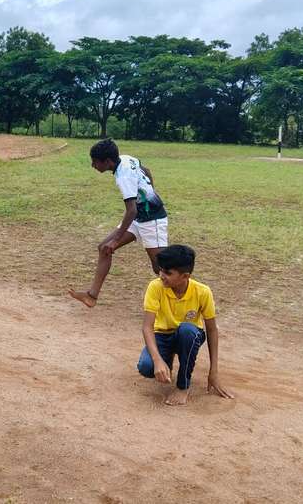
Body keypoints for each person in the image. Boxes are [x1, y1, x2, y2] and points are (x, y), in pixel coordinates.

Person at [68, 138, 167, 308]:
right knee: (104, 248)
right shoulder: (127, 158)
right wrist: (149, 191)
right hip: (138, 218)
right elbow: (147, 171)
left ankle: (181, 300)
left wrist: (116, 240)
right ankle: (91, 296)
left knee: (161, 267)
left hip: (152, 220)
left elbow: (131, 210)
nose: (93, 165)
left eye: (95, 162)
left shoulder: (123, 177)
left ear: (107, 161)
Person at [136, 244, 233, 406]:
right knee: (146, 367)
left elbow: (211, 330)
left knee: (187, 331)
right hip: (162, 335)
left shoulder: (203, 292)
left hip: (189, 336)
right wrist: (157, 360)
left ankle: (183, 386)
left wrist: (214, 371)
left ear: (185, 276)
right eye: (161, 270)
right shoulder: (155, 287)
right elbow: (147, 327)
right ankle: (167, 359)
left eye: (168, 273)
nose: (161, 276)